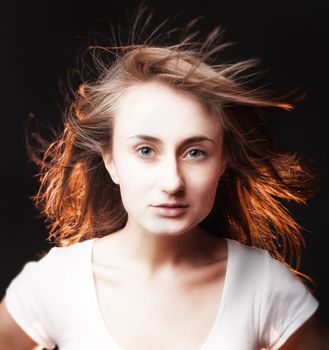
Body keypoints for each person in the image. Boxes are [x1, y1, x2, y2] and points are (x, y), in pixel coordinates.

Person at [1, 11, 329, 350]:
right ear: (110, 160)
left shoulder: (264, 286)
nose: (172, 182)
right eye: (145, 150)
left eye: (195, 152)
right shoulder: (58, 282)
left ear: (223, 161)